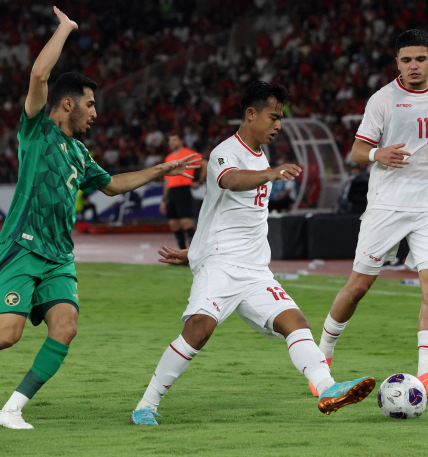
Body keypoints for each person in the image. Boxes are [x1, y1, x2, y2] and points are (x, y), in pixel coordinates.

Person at [0, 7, 198, 430]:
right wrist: (65, 29)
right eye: (90, 104)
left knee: (66, 327)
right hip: (22, 247)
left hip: (59, 256)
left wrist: (160, 170)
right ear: (67, 103)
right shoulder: (36, 130)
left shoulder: (80, 153)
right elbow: (39, 76)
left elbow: (111, 185)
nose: (95, 113)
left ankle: (11, 410)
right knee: (6, 335)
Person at [130, 81, 375, 426]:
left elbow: (230, 216)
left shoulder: (261, 157)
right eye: (273, 117)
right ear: (250, 114)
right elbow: (231, 181)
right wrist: (270, 174)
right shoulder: (224, 153)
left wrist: (191, 251)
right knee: (199, 329)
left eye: (281, 119)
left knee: (296, 322)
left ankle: (327, 388)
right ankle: (146, 405)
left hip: (255, 270)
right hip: (220, 266)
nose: (278, 125)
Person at [312, 30, 428, 401]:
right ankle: (321, 356)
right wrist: (378, 154)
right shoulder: (383, 100)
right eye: (406, 60)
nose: (413, 66)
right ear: (397, 63)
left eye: (420, 59)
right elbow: (357, 151)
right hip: (386, 207)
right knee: (358, 287)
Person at [160, 132, 197, 249]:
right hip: (171, 192)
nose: (171, 143)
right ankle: (182, 253)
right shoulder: (168, 157)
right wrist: (164, 199)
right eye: (170, 141)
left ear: (181, 141)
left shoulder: (189, 154)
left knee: (186, 222)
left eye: (174, 140)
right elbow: (166, 180)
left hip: (183, 190)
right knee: (174, 224)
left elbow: (205, 164)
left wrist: (199, 181)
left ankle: (194, 254)